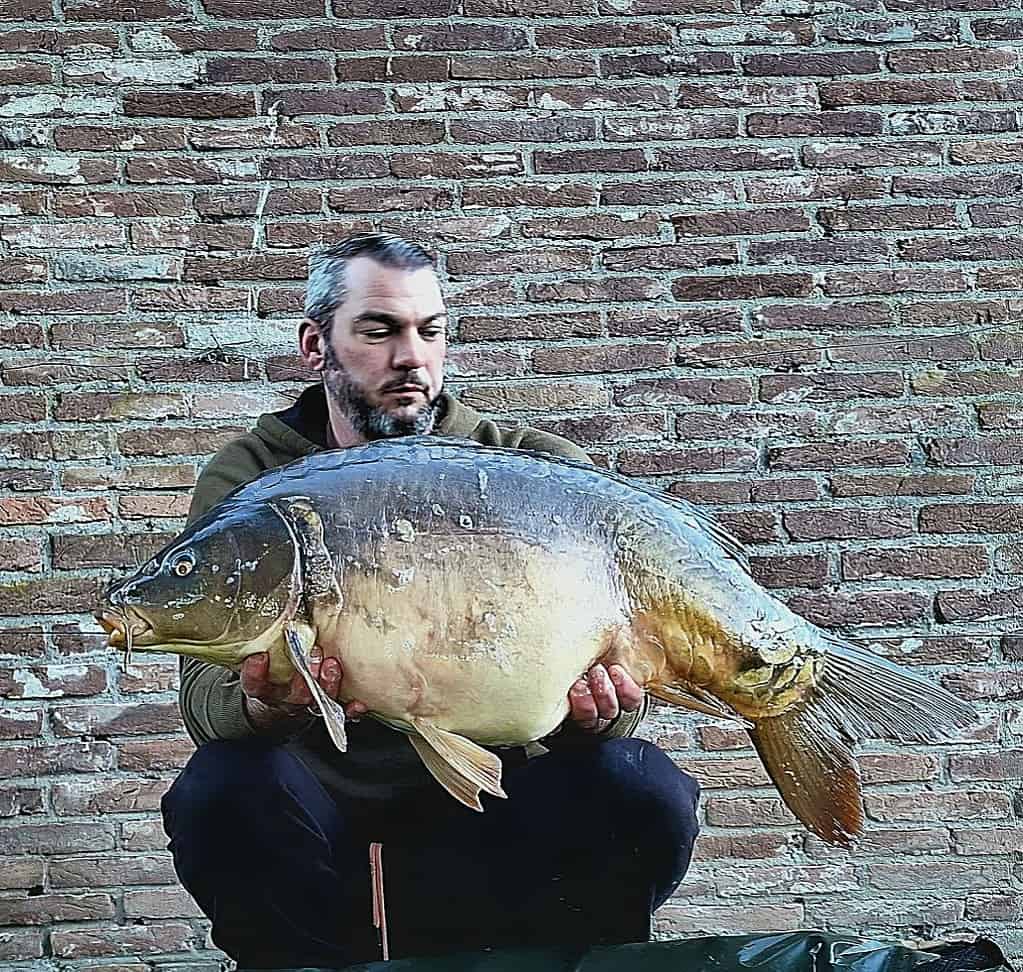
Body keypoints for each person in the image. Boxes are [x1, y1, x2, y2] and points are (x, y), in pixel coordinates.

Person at [161, 233, 701, 969]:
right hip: (321, 795)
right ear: (317, 346)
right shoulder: (253, 480)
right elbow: (203, 701)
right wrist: (265, 705)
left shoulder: (535, 470)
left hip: (506, 788)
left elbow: (626, 669)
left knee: (638, 785)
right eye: (380, 330)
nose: (411, 357)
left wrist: (603, 711)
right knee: (221, 786)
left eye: (430, 330)